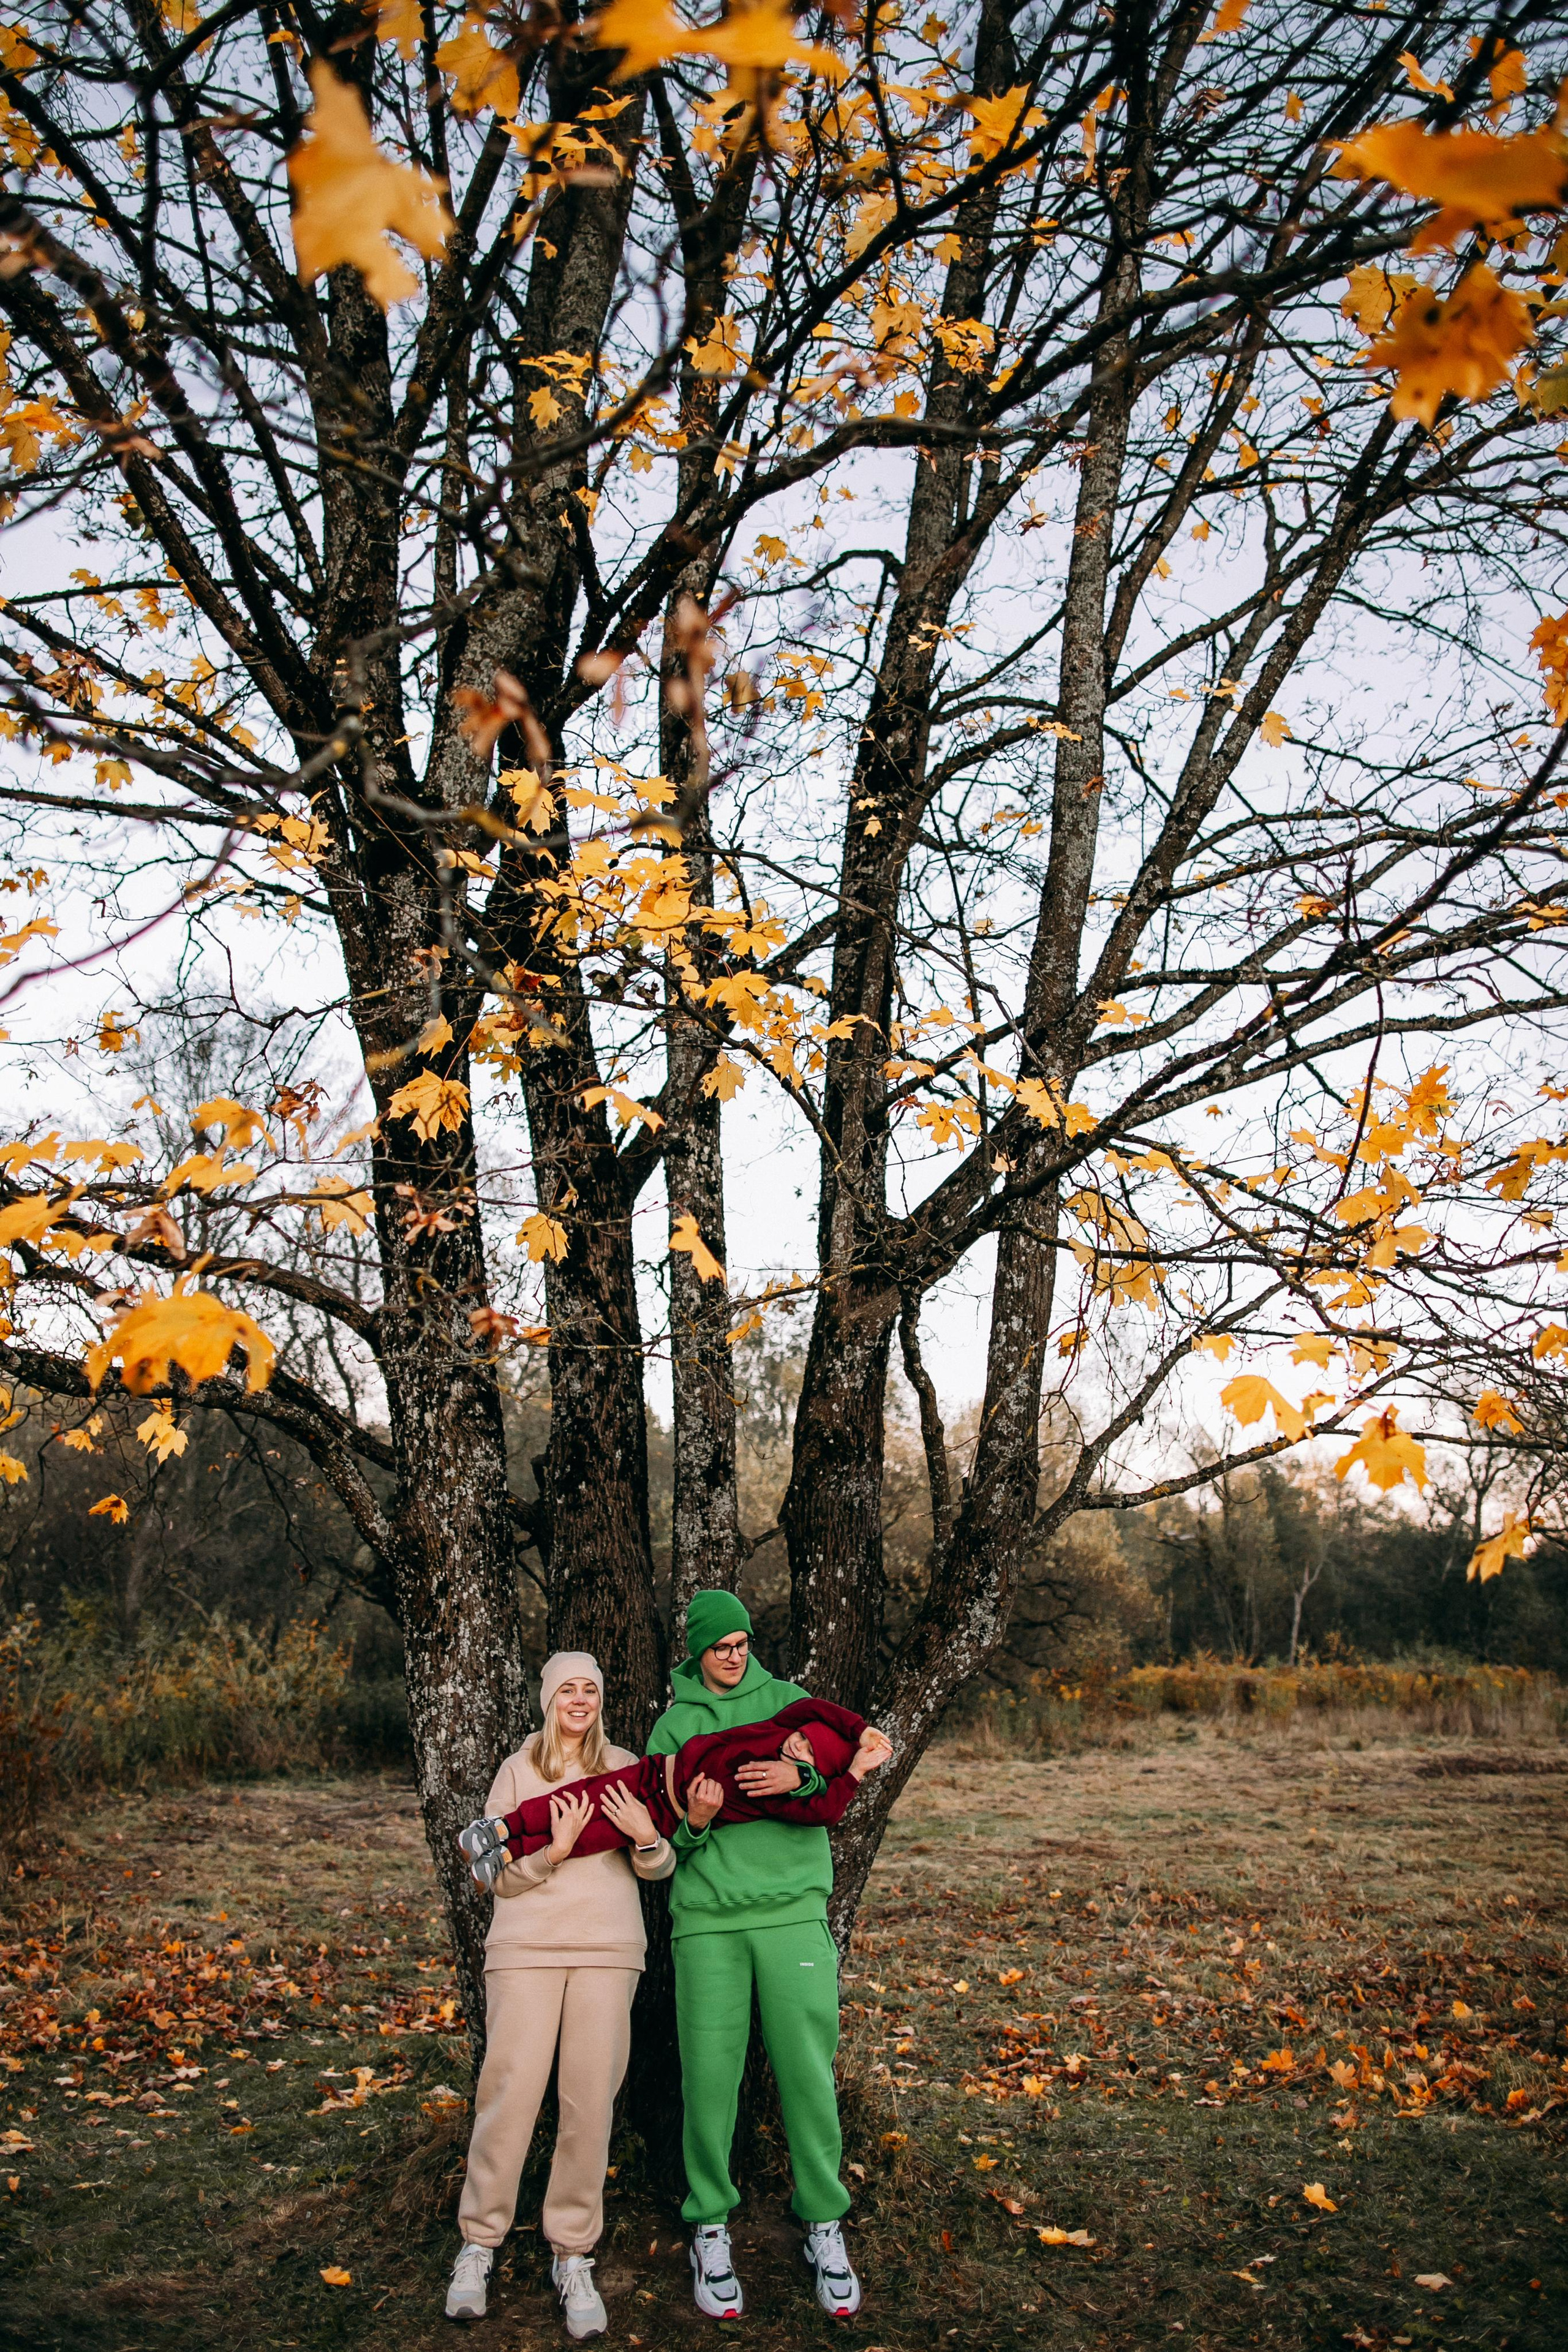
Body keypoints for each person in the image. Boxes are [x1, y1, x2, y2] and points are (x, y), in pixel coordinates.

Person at [646, 1589, 890, 2323]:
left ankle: (822, 2222)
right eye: (720, 1645)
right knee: (709, 2080)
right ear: (696, 1650)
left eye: (742, 1642)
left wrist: (804, 1777)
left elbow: (859, 1762)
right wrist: (695, 1820)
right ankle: (709, 2227)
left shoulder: (792, 1702)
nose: (734, 1654)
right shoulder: (674, 1726)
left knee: (806, 2074)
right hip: (708, 1923)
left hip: (792, 1916)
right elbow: (662, 1839)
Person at [445, 1652, 674, 2337]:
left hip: (608, 1953)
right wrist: (555, 1850)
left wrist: (645, 1837)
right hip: (526, 1952)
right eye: (567, 1689)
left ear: (601, 1700)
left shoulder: (628, 1765)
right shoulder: (519, 1772)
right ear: (547, 1700)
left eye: (590, 1690)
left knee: (588, 2102)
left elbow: (658, 1868)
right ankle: (479, 2244)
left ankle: (572, 2253)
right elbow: (493, 1877)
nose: (579, 1700)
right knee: (509, 2094)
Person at [457, 1695, 890, 1885]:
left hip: (665, 1817)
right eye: (802, 1737)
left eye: (809, 1753)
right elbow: (810, 1709)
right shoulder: (778, 1728)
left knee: (588, 1837)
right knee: (578, 1801)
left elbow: (826, 1812)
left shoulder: (780, 1789)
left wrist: (851, 1770)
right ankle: (498, 1829)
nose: (797, 1745)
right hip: (651, 1776)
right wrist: (861, 1729)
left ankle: (509, 1855)